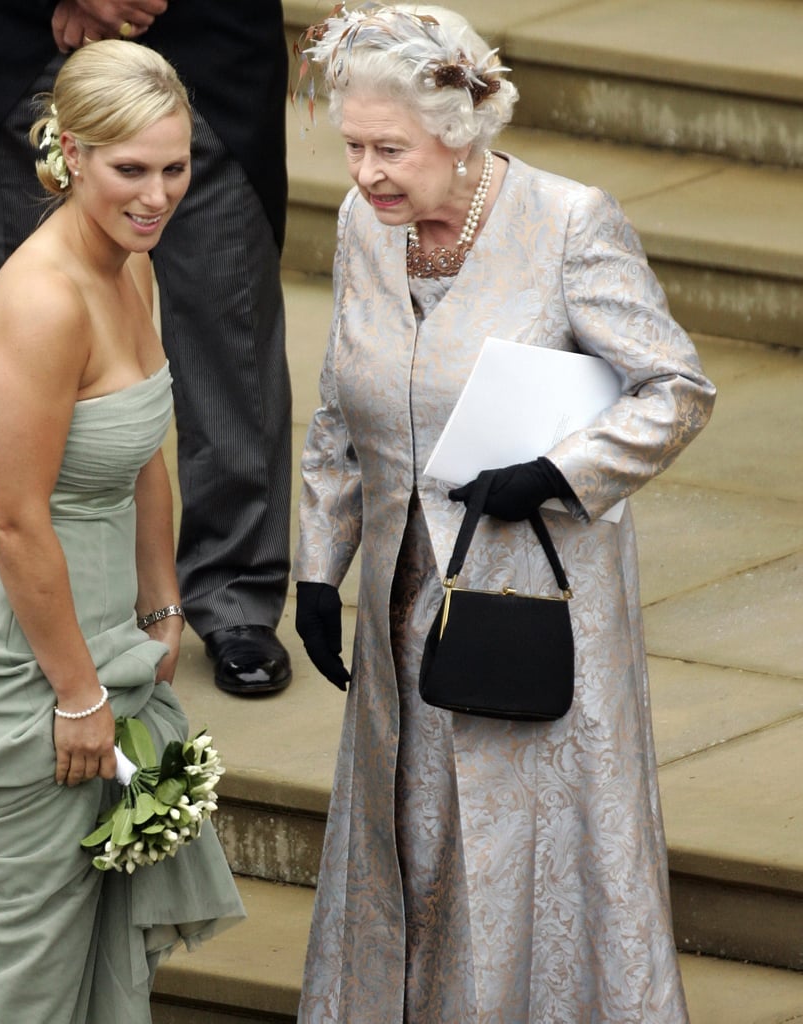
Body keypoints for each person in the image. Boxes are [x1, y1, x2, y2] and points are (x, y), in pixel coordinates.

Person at [291, 5, 717, 1022]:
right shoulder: (365, 226)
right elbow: (337, 405)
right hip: (404, 606)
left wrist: (559, 471)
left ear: (461, 129)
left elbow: (676, 390)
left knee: (507, 847)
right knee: (414, 842)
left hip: (528, 599)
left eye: (389, 149)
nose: (365, 174)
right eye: (352, 146)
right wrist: (317, 559)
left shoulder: (567, 222)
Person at [0, 41, 244, 1022]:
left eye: (175, 168)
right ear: (69, 153)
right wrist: (81, 693)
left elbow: (145, 451)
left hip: (96, 634)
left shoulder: (130, 266)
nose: (158, 194)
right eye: (131, 169)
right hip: (22, 654)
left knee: (86, 940)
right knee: (15, 953)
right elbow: (12, 520)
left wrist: (162, 601)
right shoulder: (45, 301)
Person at [0, 0, 294, 696]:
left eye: (173, 172)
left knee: (231, 337)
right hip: (26, 38)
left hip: (211, 40)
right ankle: (42, 615)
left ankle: (233, 593)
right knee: (42, 350)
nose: (155, 194)